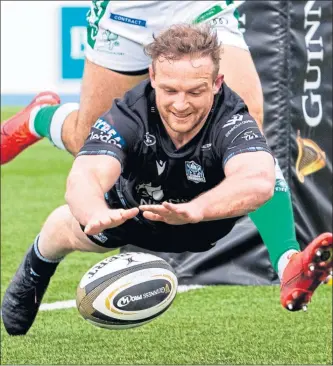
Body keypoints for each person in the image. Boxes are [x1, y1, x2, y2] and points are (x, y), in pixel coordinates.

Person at [2, 24, 332, 336]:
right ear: (152, 79)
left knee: (262, 159)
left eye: (195, 91)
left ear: (217, 84)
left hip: (206, 219)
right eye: (170, 90)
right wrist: (94, 211)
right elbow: (85, 175)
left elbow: (259, 180)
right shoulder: (127, 114)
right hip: (129, 213)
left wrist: (197, 209)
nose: (181, 104)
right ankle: (35, 266)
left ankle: (290, 262)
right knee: (65, 220)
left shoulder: (232, 117)